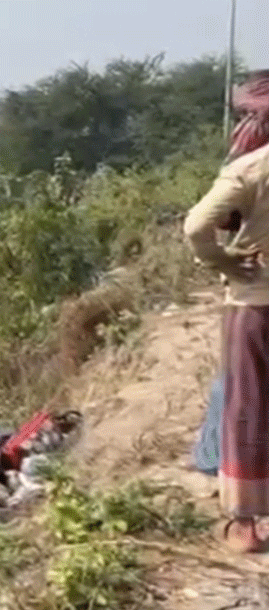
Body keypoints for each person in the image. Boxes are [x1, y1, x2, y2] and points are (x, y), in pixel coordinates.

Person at [183, 71, 269, 553]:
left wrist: (221, 260)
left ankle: (244, 523)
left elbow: (197, 225)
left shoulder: (251, 168)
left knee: (247, 408)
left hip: (255, 301)